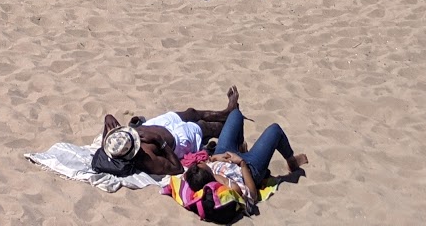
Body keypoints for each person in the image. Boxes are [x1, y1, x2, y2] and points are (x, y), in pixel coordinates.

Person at [176, 105, 307, 216]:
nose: (201, 162)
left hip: (223, 154)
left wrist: (215, 158)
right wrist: (242, 163)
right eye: (201, 164)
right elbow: (252, 194)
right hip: (249, 167)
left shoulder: (195, 176)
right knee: (275, 130)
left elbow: (196, 169)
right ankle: (292, 161)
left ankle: (239, 146)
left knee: (235, 114)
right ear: (208, 174)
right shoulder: (225, 187)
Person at [95, 89, 241, 179]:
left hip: (156, 124)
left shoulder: (114, 144)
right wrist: (160, 141)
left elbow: (108, 143)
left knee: (191, 112)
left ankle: (225, 113)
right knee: (205, 127)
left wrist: (107, 119)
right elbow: (176, 168)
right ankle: (233, 119)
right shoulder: (146, 159)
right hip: (177, 140)